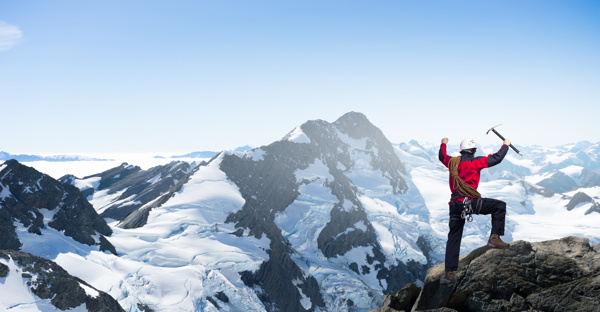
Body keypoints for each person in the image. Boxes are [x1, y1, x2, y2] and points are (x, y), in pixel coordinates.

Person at [438, 137, 511, 284]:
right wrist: (505, 146)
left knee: (454, 238)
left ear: (462, 150)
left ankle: (449, 273)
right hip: (470, 202)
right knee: (499, 206)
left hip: (455, 204)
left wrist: (444, 143)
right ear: (474, 151)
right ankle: (494, 238)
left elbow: (442, 156)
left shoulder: (452, 162)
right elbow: (496, 158)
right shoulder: (475, 162)